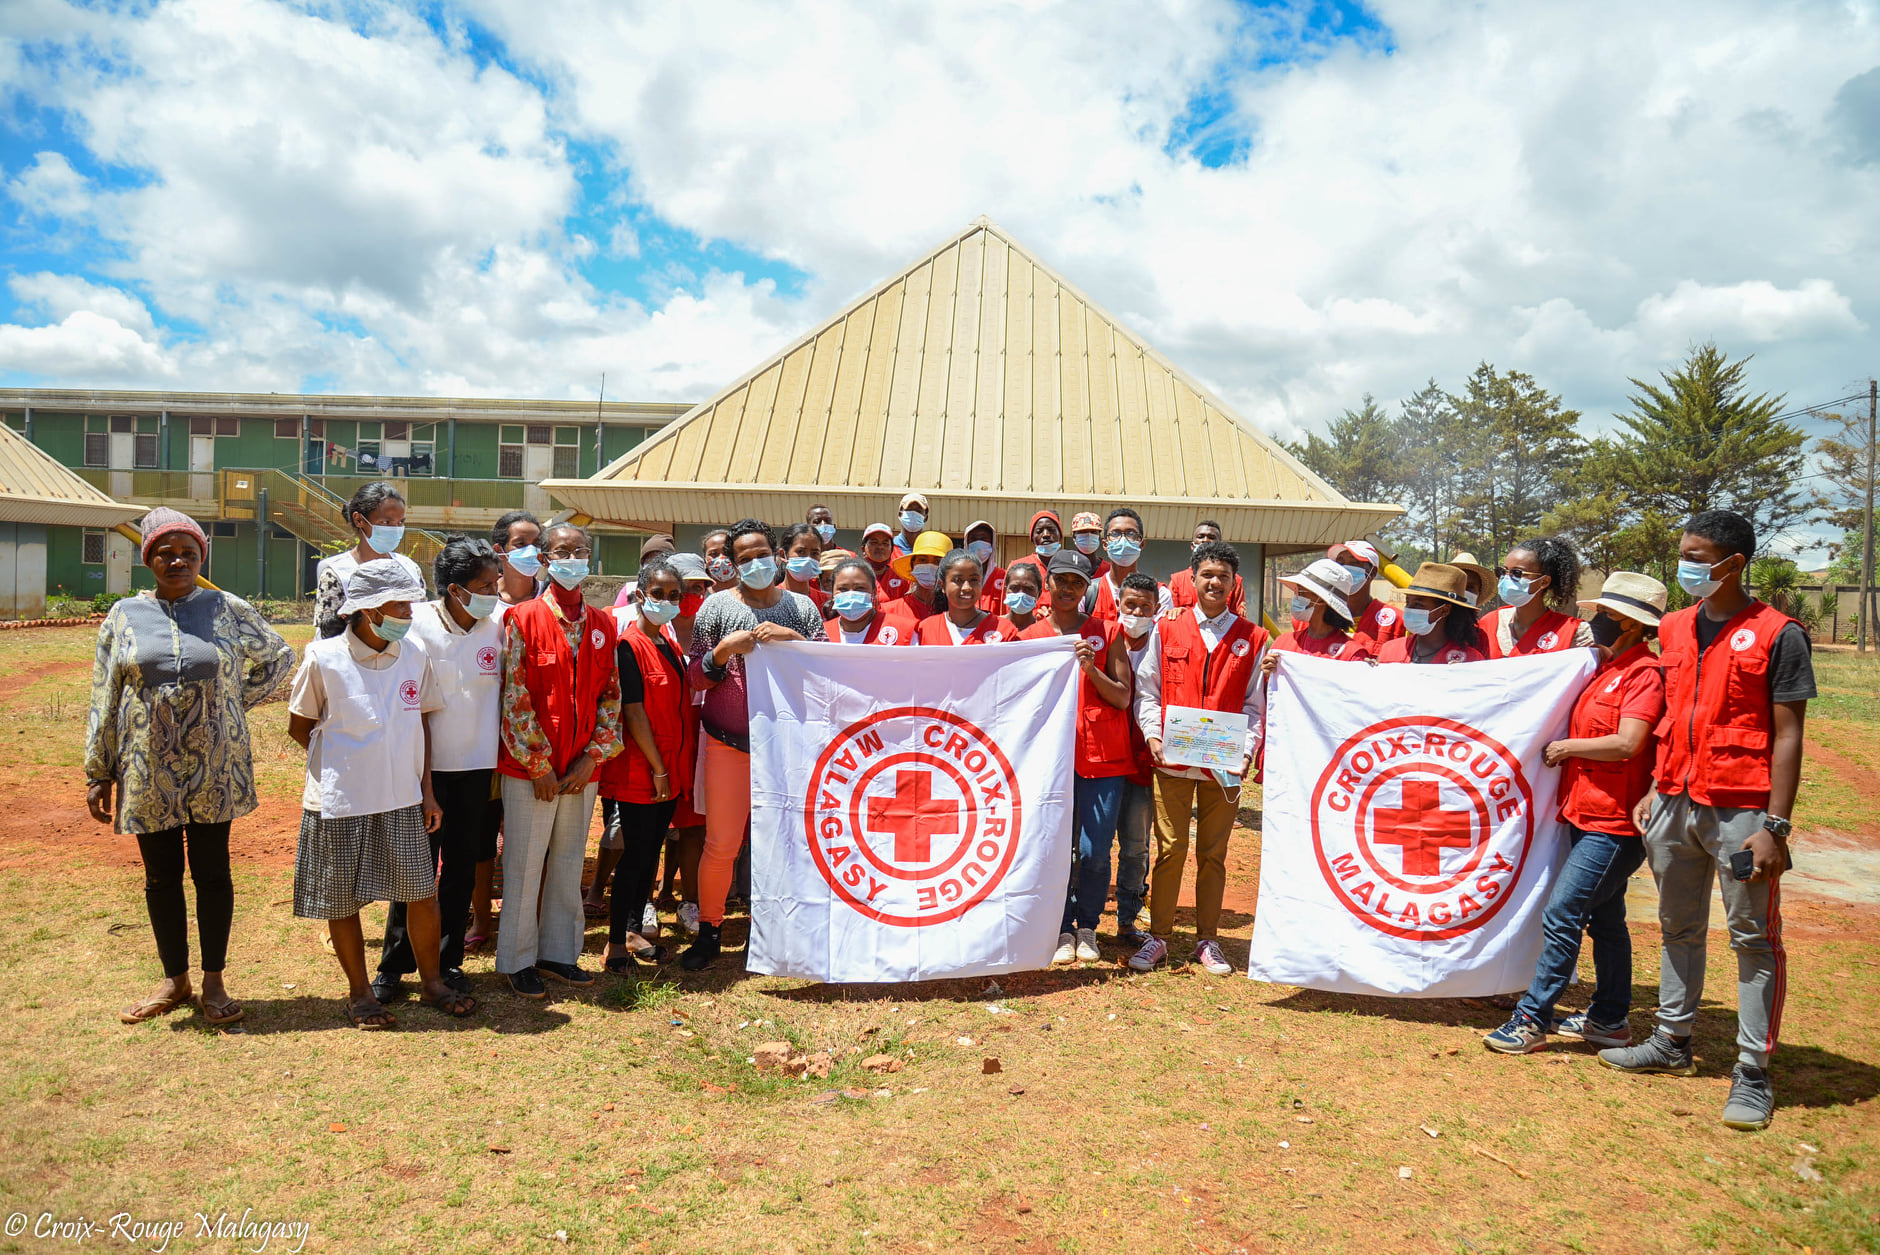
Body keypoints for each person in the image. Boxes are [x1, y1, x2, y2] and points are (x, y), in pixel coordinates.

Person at [1599, 510, 1813, 1133]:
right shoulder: (1673, 627)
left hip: (1741, 808)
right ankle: (1672, 1039)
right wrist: (1655, 788)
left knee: (1752, 937)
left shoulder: (1779, 633)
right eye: (1684, 553)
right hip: (1674, 803)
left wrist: (1775, 826)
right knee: (1677, 926)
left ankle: (1752, 1070)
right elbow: (1672, 712)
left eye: (1699, 555)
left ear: (1734, 563)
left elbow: (1789, 735)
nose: (1686, 565)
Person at [85, 507, 294, 1026]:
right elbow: (104, 693)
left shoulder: (226, 608)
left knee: (212, 872)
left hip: (214, 767)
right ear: (148, 558)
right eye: (165, 551)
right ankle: (174, 980)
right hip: (146, 765)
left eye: (188, 552)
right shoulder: (123, 615)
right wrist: (98, 769)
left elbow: (280, 657)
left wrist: (233, 702)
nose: (176, 560)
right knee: (160, 877)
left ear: (202, 557)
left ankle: (214, 981)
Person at [1485, 572, 1669, 1056]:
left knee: (1564, 911)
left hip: (1614, 823)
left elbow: (1629, 743)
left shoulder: (1644, 674)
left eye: (1605, 615)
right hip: (1583, 812)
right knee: (1606, 920)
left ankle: (1532, 1018)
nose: (1595, 620)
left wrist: (1567, 748)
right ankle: (1609, 1018)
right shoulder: (1604, 669)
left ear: (1629, 624)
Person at [286, 560, 476, 1027]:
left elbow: (423, 724)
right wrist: (347, 762)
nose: (408, 614)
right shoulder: (323, 657)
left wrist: (427, 792)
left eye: (410, 604)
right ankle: (360, 994)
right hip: (341, 802)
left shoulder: (413, 654)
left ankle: (432, 983)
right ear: (367, 610)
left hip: (402, 799)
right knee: (342, 900)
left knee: (420, 893)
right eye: (399, 605)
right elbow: (300, 727)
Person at [683, 519, 825, 970]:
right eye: (744, 559)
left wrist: (795, 641)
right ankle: (709, 931)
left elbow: (827, 672)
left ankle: (776, 932)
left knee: (785, 843)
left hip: (787, 748)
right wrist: (723, 651)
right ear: (733, 564)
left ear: (777, 557)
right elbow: (695, 675)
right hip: (729, 744)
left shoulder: (800, 609)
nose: (754, 564)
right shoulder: (716, 609)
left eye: (761, 554)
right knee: (722, 843)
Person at [374, 536, 505, 1006]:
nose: (496, 591)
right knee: (413, 870)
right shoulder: (418, 626)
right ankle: (394, 965)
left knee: (461, 869)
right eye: (486, 584)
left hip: (479, 770)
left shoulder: (499, 626)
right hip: (423, 773)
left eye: (497, 581)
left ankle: (449, 961)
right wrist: (421, 780)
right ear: (455, 590)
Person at [495, 523, 623, 998]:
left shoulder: (604, 624)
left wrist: (593, 758)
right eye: (562, 551)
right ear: (545, 560)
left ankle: (558, 953)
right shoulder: (522, 618)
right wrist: (538, 764)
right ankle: (516, 958)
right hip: (535, 771)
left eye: (581, 551)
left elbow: (611, 695)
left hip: (581, 769)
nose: (573, 559)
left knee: (569, 861)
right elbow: (515, 696)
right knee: (525, 864)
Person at [1131, 542, 1267, 975]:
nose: (1214, 582)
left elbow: (1255, 705)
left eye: (1223, 576)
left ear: (1233, 583)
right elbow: (1148, 689)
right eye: (1207, 574)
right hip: (1172, 759)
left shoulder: (1253, 637)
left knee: (1214, 852)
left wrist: (1245, 750)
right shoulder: (1166, 627)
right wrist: (1152, 734)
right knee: (1170, 849)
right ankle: (1160, 936)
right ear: (1192, 578)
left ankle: (1207, 939)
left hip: (1223, 765)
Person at [1019, 551, 1134, 962]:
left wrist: (1092, 670)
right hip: (1049, 760)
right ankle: (1061, 927)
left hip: (1102, 758)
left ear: (1087, 588)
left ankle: (1087, 927)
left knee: (1094, 850)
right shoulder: (1030, 637)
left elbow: (1122, 697)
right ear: (1046, 583)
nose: (1068, 589)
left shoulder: (1107, 630)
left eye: (1077, 582)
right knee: (1054, 848)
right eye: (1060, 580)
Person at [595, 557, 694, 972]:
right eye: (659, 594)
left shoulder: (667, 642)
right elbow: (634, 713)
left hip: (667, 771)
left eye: (675, 595)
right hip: (643, 772)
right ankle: (616, 943)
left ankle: (635, 929)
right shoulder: (628, 645)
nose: (667, 601)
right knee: (634, 858)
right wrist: (658, 768)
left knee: (649, 854)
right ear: (640, 596)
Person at [662, 553, 716, 936]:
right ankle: (643, 906)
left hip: (702, 738)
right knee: (647, 829)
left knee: (696, 826)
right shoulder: (651, 630)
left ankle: (691, 903)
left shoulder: (711, 629)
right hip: (660, 741)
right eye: (686, 587)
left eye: (700, 587)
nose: (694, 594)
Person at [1114, 573, 1161, 946]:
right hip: (1100, 761)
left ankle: (1129, 918)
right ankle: (1081, 914)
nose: (1137, 611)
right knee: (1088, 845)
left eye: (1146, 606)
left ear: (1157, 608)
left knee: (1135, 845)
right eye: (1131, 604)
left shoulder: (1161, 643)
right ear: (1118, 603)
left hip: (1143, 762)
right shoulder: (1101, 639)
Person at [314, 481, 427, 638]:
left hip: (403, 659)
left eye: (400, 522)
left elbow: (421, 623)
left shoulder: (410, 569)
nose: (395, 529)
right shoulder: (338, 574)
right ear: (359, 520)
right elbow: (327, 634)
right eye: (386, 522)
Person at [1482, 536, 1594, 657]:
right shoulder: (1488, 624)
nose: (1507, 578)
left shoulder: (1574, 633)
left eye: (1517, 573)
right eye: (1503, 572)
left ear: (1544, 582)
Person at [1263, 560, 1374, 663]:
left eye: (1301, 591)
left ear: (1321, 598)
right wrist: (1268, 673)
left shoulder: (1351, 654)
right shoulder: (1283, 644)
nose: (1296, 596)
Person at [1374, 563, 1486, 664]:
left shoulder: (1470, 661)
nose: (1409, 609)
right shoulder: (1390, 651)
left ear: (1444, 611)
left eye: (1418, 605)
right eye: (1408, 602)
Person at [1088, 508, 1172, 621]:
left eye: (1131, 534)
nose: (1123, 540)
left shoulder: (1160, 594)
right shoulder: (1088, 592)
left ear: (1142, 544)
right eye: (1115, 533)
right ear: (1105, 545)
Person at [914, 550, 1009, 644]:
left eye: (974, 579)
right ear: (942, 585)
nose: (967, 587)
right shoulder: (926, 629)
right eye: (958, 580)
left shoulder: (1004, 630)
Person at [1327, 540, 1404, 646]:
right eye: (1340, 563)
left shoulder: (1397, 622)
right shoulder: (1320, 617)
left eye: (1354, 563)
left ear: (1372, 572)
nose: (1344, 569)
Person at [824, 556, 912, 645]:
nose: (851, 595)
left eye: (860, 588)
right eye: (843, 589)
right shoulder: (821, 635)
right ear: (832, 592)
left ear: (873, 592)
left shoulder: (903, 632)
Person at [1169, 520, 1246, 616]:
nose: (1205, 540)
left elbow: (1239, 619)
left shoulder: (1234, 581)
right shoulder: (1177, 581)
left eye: (1211, 537)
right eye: (1200, 537)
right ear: (1192, 546)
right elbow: (1170, 616)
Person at [883, 530, 951, 630]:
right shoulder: (888, 611)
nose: (929, 566)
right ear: (912, 565)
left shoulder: (957, 614)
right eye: (923, 560)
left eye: (938, 561)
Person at [490, 509, 544, 606]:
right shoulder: (483, 600)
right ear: (499, 550)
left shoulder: (550, 596)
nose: (531, 551)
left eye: (537, 544)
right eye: (520, 544)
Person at [1004, 510, 1063, 595]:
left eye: (1051, 530)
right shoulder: (1016, 567)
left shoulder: (1071, 566)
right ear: (1032, 538)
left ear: (1060, 536)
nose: (1046, 535)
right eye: (1039, 531)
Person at [613, 533, 677, 607]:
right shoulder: (629, 590)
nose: (655, 565)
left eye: (661, 560)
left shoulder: (678, 592)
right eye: (650, 560)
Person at [778, 522, 828, 613]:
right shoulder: (771, 601)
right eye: (801, 551)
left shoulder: (826, 602)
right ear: (783, 554)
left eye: (815, 553)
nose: (808, 558)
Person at [963, 520, 1007, 612]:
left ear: (992, 544)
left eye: (983, 538)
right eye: (974, 539)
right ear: (967, 544)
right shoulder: (960, 578)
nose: (979, 544)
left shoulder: (1005, 577)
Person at [861, 523, 911, 602]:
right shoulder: (854, 577)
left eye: (885, 543)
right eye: (874, 542)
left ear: (891, 550)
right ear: (863, 548)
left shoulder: (901, 578)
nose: (880, 547)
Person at [996, 559, 1046, 637]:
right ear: (1006, 591)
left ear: (1038, 594)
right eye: (1014, 587)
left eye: (1028, 589)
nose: (1021, 594)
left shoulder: (1045, 632)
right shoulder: (993, 627)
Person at [702, 528, 737, 592]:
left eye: (727, 552)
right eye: (713, 553)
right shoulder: (700, 596)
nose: (721, 558)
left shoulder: (750, 596)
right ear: (705, 559)